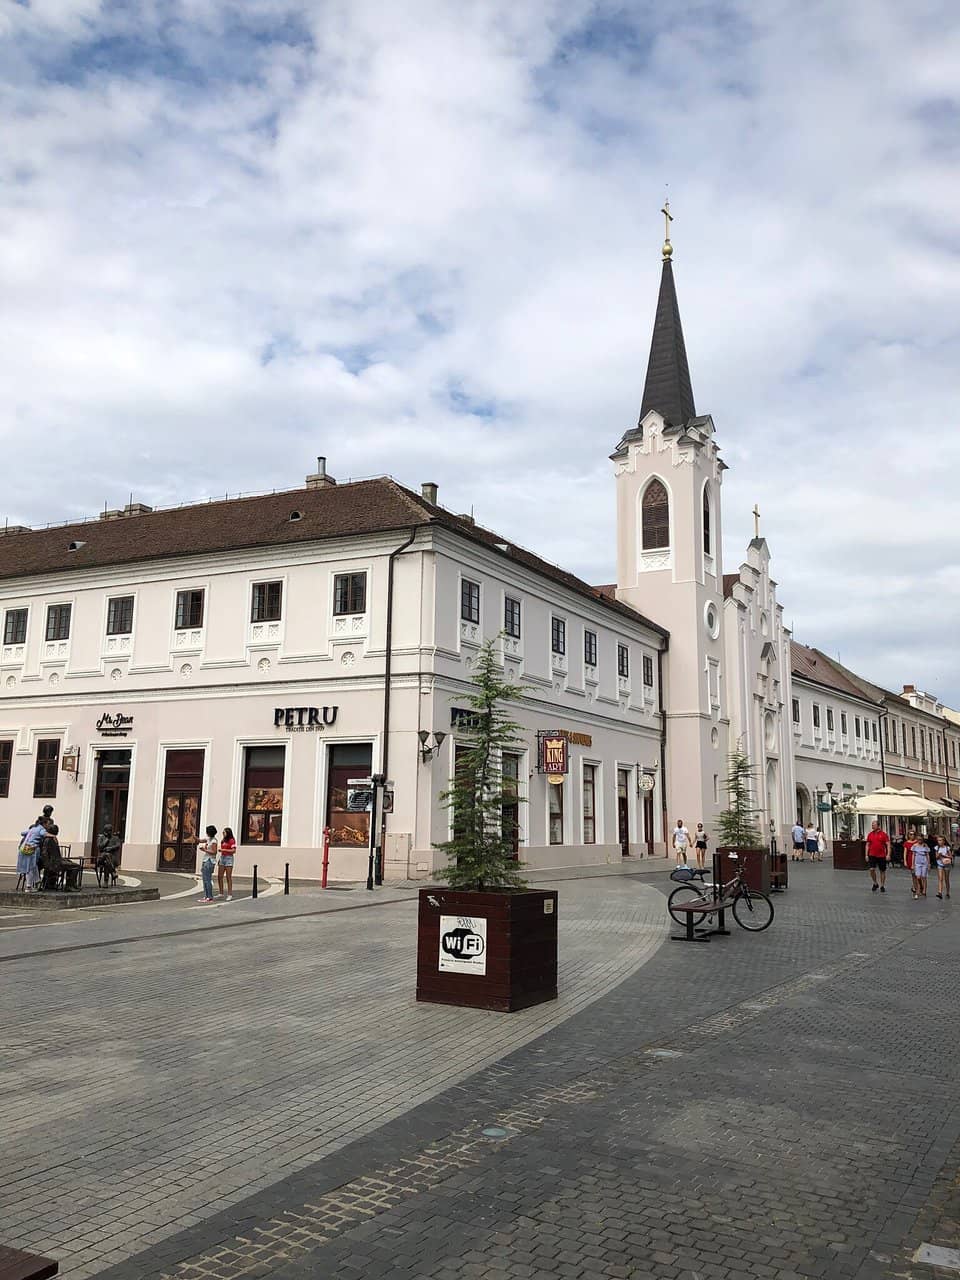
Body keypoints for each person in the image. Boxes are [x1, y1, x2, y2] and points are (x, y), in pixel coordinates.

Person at [40, 824, 81, 892]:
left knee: (70, 862)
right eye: (57, 830)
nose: (58, 832)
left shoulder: (50, 839)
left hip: (55, 861)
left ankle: (70, 884)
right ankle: (70, 885)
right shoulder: (49, 840)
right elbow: (45, 853)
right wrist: (48, 865)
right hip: (55, 863)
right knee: (76, 866)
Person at [17, 816, 48, 891]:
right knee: (30, 867)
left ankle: (37, 881)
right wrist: (53, 835)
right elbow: (44, 834)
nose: (48, 825)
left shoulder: (33, 829)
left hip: (23, 849)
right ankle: (28, 887)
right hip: (31, 849)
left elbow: (22, 833)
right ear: (44, 823)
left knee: (34, 866)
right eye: (47, 824)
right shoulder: (41, 829)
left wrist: (31, 833)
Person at [865, 820, 890, 893]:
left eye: (874, 825)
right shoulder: (870, 834)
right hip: (872, 854)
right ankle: (875, 883)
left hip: (881, 855)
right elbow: (867, 845)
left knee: (882, 870)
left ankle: (882, 885)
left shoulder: (883, 834)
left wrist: (888, 854)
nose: (872, 826)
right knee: (871, 869)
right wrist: (866, 854)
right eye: (872, 825)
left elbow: (888, 844)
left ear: (878, 826)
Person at [197, 826, 218, 903]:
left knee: (208, 880)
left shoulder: (214, 841)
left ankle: (210, 897)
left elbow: (214, 852)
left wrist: (204, 850)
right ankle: (206, 896)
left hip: (210, 861)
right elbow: (199, 840)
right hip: (205, 860)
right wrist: (194, 837)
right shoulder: (208, 839)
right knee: (204, 879)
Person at [218, 827, 237, 900]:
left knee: (228, 877)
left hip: (229, 858)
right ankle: (221, 892)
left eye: (224, 832)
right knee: (220, 876)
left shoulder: (231, 840)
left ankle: (230, 894)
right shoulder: (223, 840)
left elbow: (233, 851)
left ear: (228, 833)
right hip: (222, 857)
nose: (223, 833)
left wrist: (224, 849)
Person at [910, 835, 930, 900]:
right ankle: (920, 887)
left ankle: (924, 890)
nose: (919, 841)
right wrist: (912, 864)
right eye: (918, 839)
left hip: (924, 862)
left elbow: (927, 855)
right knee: (918, 877)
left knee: (924, 877)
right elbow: (913, 855)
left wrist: (929, 864)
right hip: (917, 863)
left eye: (920, 839)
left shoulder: (925, 845)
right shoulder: (915, 846)